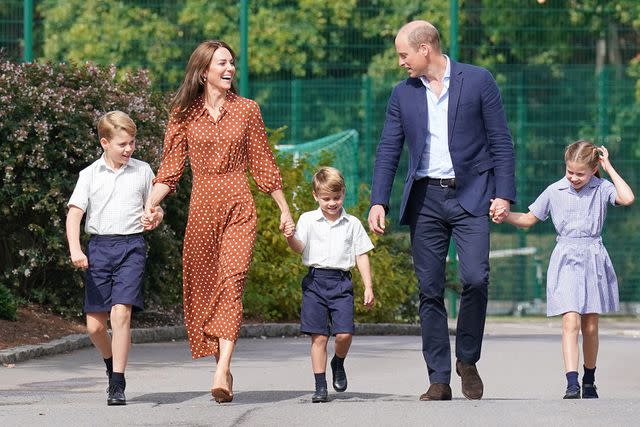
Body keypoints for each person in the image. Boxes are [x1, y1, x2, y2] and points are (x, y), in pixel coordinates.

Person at [368, 20, 516, 401]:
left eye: (404, 54)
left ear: (425, 49)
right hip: (426, 201)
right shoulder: (403, 94)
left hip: (471, 196)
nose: (401, 62)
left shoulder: (478, 81)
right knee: (429, 289)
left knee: (476, 278)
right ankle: (439, 377)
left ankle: (467, 358)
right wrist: (378, 200)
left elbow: (501, 140)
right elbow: (389, 148)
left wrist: (504, 194)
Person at [144, 40, 294, 403]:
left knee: (233, 281)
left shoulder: (247, 110)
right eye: (222, 63)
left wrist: (284, 208)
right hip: (201, 210)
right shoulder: (183, 114)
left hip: (239, 205)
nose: (229, 69)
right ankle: (223, 366)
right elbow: (170, 169)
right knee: (207, 289)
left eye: (232, 63)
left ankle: (220, 368)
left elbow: (262, 162)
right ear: (203, 71)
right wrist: (150, 205)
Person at [499, 141, 634, 399]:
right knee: (570, 319)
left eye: (580, 173)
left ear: (594, 169)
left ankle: (589, 380)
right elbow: (528, 219)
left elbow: (627, 197)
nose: (573, 177)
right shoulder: (555, 190)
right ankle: (571, 382)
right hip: (566, 258)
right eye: (570, 171)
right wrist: (504, 215)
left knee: (591, 325)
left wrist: (608, 166)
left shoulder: (603, 188)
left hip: (593, 257)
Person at [66, 110, 164, 406]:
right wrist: (75, 249)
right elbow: (74, 216)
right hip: (98, 249)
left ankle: (118, 384)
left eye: (132, 142)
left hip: (132, 247)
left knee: (121, 312)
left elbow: (155, 208)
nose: (129, 149)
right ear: (104, 143)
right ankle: (111, 365)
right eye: (122, 144)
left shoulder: (143, 170)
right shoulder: (89, 175)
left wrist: (155, 216)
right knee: (95, 326)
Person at [284, 166, 374, 403]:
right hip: (315, 282)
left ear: (343, 193)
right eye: (326, 199)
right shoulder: (307, 220)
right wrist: (289, 237)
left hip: (341, 283)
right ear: (316, 196)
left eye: (336, 197)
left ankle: (339, 362)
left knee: (344, 334)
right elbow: (299, 247)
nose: (332, 203)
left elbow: (361, 255)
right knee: (319, 337)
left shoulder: (352, 223)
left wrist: (368, 286)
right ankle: (320, 386)